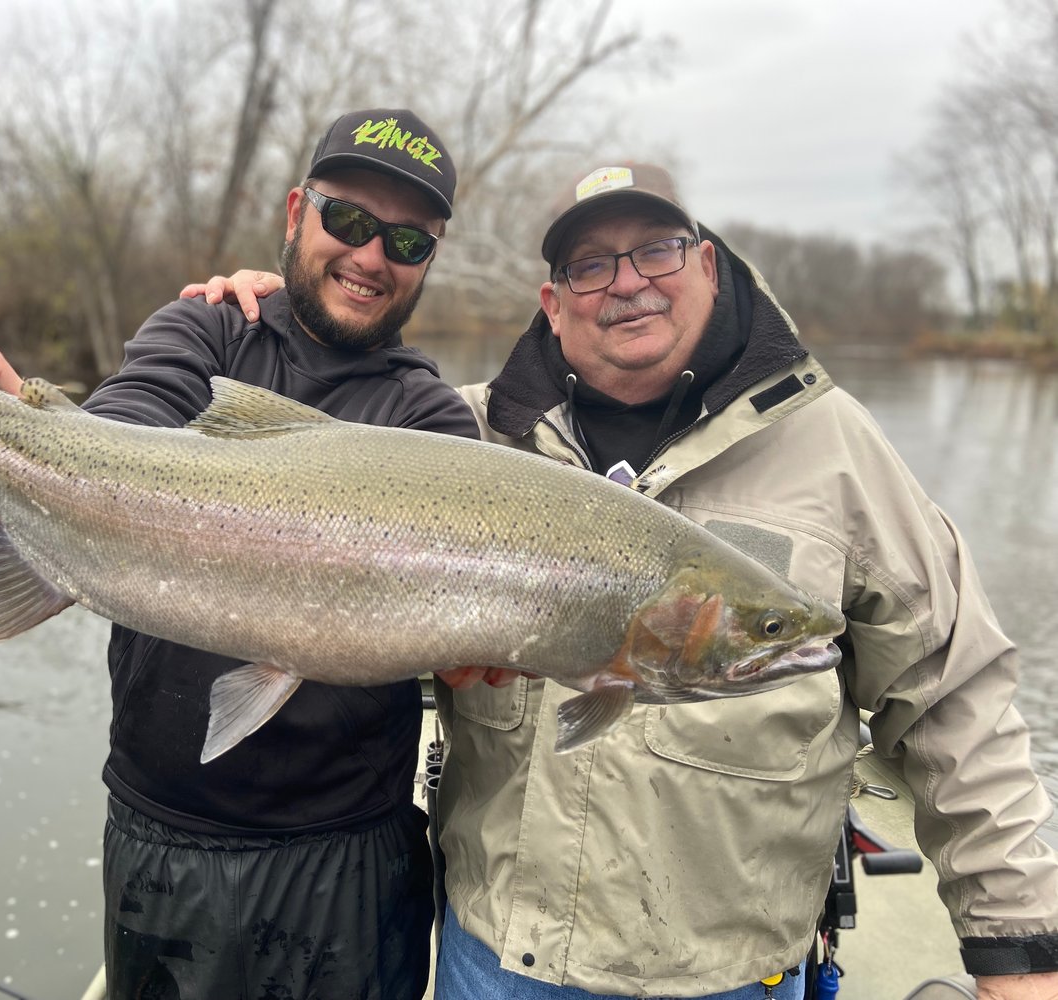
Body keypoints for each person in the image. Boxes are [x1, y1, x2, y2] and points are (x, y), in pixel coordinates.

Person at [185, 162, 1058, 1000]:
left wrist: (1017, 949)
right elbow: (289, 479)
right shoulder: (462, 434)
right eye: (589, 265)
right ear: (552, 302)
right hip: (499, 960)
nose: (626, 282)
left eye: (656, 251)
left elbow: (955, 695)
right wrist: (280, 316)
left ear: (705, 262)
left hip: (731, 972)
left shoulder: (835, 447)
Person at [0, 108, 480, 1000]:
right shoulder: (205, 331)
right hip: (159, 834)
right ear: (294, 214)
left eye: (405, 240)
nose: (369, 255)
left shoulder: (430, 423)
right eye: (347, 220)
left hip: (348, 853)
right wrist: (14, 438)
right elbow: (120, 429)